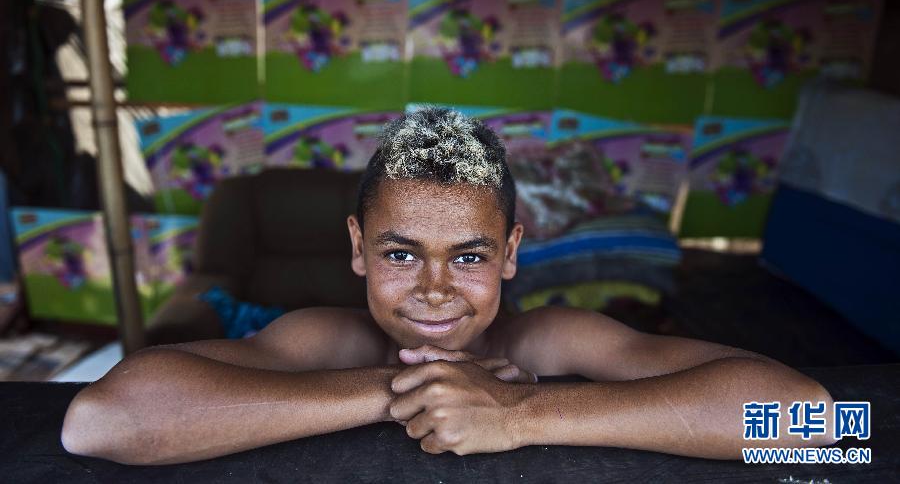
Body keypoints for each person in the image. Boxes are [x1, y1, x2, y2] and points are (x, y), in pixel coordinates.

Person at [61, 107, 835, 465]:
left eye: (468, 257)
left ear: (510, 255)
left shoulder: (550, 340)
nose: (435, 290)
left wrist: (521, 411)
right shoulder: (324, 338)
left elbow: (812, 422)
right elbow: (96, 424)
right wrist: (414, 390)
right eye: (402, 255)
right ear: (359, 249)